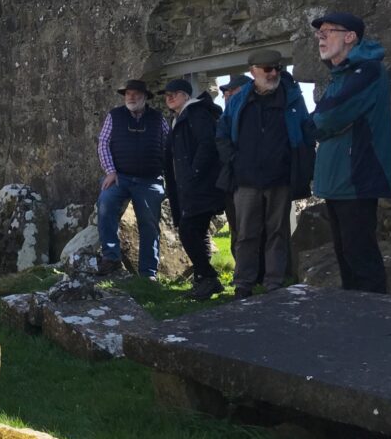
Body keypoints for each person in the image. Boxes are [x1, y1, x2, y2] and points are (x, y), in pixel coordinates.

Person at [216, 50, 314, 299]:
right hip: (246, 179)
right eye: (267, 69)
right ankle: (243, 284)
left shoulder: (291, 98)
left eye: (277, 69)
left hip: (279, 178)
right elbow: (223, 133)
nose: (273, 73)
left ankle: (274, 283)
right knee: (246, 233)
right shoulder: (239, 100)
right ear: (253, 71)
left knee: (277, 233)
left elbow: (305, 133)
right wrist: (234, 161)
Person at [310, 12, 391, 293]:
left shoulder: (367, 70)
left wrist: (322, 121)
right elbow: (327, 119)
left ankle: (376, 326)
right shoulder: (340, 75)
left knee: (361, 260)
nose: (321, 37)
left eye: (328, 31)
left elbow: (327, 117)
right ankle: (355, 324)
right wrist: (324, 121)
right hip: (338, 180)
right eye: (319, 32)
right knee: (346, 259)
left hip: (356, 177)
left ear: (350, 37)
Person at [96, 79, 170, 279]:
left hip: (149, 179)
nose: (131, 97)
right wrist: (110, 171)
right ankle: (111, 257)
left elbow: (167, 147)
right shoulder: (114, 116)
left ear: (145, 97)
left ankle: (148, 273)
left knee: (149, 223)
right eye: (128, 94)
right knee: (105, 203)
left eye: (136, 94)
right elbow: (103, 143)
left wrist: (165, 176)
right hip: (120, 176)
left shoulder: (158, 119)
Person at [163, 79, 226, 300]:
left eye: (175, 93)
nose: (170, 97)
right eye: (167, 94)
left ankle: (209, 278)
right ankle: (203, 280)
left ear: (187, 95)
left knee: (187, 230)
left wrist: (193, 173)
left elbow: (207, 144)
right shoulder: (177, 119)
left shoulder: (196, 113)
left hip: (202, 186)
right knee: (196, 233)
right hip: (188, 187)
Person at [218, 74, 266, 284]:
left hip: (257, 179)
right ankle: (244, 275)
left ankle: (263, 275)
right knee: (238, 231)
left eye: (232, 90)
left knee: (263, 229)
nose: (227, 94)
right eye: (225, 92)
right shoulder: (225, 118)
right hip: (233, 181)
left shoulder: (256, 111)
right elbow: (222, 143)